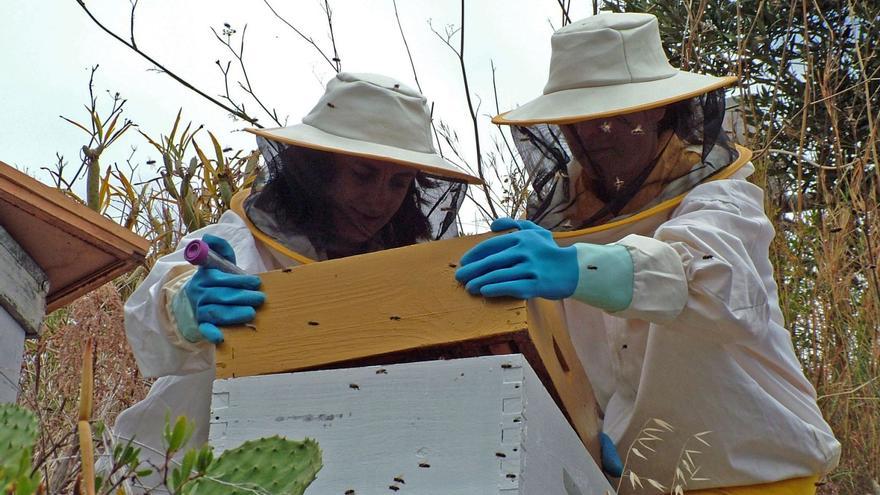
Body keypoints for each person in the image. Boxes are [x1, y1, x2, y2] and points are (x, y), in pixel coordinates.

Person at [455, 13, 840, 494]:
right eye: (582, 117)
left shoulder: (722, 202)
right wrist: (586, 431)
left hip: (759, 481)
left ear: (659, 110)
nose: (599, 131)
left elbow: (715, 283)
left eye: (618, 113)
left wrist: (577, 267)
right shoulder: (563, 231)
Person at [113, 72, 480, 487]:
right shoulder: (241, 243)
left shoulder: (401, 279)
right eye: (362, 174)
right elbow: (153, 307)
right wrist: (183, 306)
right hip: (169, 476)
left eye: (398, 182)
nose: (380, 200)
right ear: (318, 170)